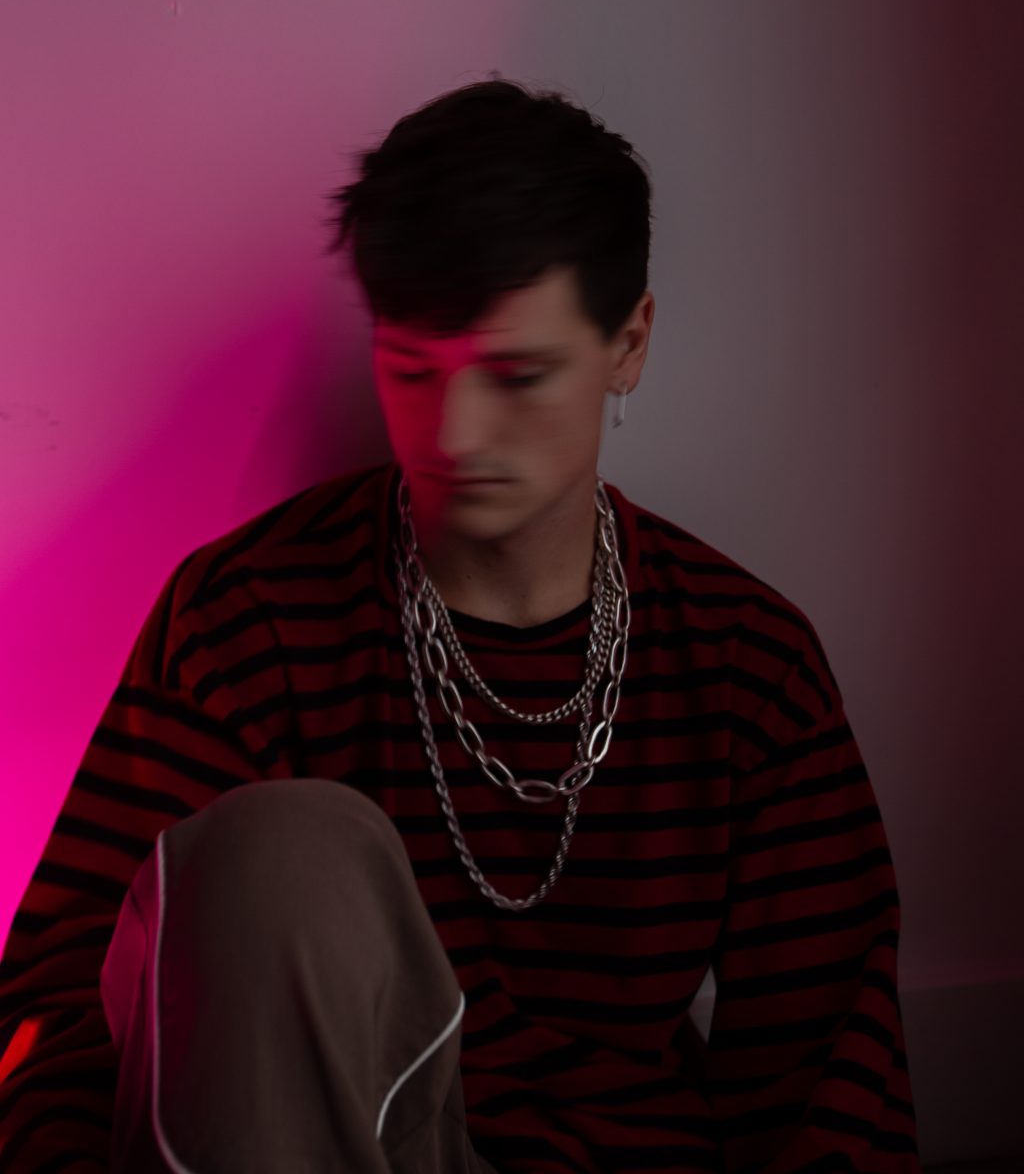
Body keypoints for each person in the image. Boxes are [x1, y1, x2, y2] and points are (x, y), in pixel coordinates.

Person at [0, 77, 920, 1172]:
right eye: (411, 370)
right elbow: (66, 1006)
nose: (455, 433)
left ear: (628, 343)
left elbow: (829, 1075)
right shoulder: (251, 621)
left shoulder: (746, 664)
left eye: (517, 376)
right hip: (335, 1150)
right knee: (277, 849)